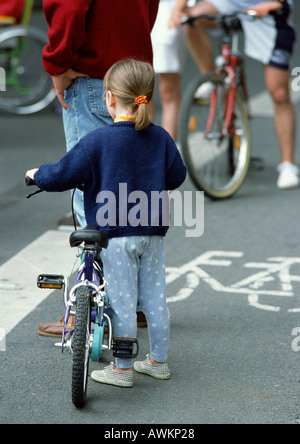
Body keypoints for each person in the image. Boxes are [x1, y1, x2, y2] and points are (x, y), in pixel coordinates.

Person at [26, 58, 187, 387]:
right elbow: (177, 175)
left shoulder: (97, 142)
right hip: (152, 233)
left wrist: (36, 175)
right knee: (154, 300)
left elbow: (62, 174)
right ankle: (158, 361)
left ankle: (124, 367)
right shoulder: (161, 138)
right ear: (146, 98)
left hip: (115, 237)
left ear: (110, 99)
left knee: (123, 302)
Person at [38, 0, 160, 337]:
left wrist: (58, 62)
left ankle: (90, 308)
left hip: (92, 75)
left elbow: (69, 7)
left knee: (89, 194)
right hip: (132, 78)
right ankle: (133, 305)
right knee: (130, 192)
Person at [169, 0, 299, 189]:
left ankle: (288, 165)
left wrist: (274, 4)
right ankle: (211, 79)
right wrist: (177, 9)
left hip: (267, 7)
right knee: (192, 20)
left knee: (279, 94)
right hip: (231, 2)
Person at [151, 0, 214, 140]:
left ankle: (166, 154)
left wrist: (177, 9)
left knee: (167, 91)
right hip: (137, 10)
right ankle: (144, 151)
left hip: (167, 9)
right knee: (141, 91)